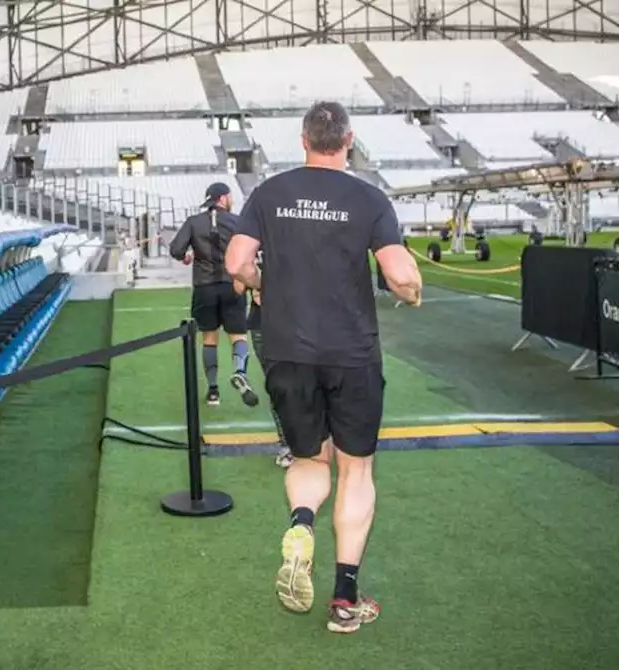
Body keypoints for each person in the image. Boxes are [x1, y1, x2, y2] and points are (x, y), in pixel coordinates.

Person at [225, 101, 423, 634]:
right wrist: (412, 290)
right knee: (356, 469)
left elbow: (237, 263)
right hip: (351, 353)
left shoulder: (270, 192)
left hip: (287, 349)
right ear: (349, 141)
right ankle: (344, 600)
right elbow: (398, 270)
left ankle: (301, 524)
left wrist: (265, 285)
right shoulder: (368, 197)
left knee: (310, 458)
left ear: (303, 139)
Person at [170, 182, 259, 408]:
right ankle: (240, 372)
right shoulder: (237, 221)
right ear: (222, 199)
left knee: (209, 339)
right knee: (238, 335)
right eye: (229, 197)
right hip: (232, 285)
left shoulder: (193, 222)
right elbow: (253, 248)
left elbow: (176, 249)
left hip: (204, 287)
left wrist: (187, 257)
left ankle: (213, 391)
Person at [233, 251, 295, 469]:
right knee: (282, 383)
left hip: (286, 322)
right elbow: (239, 285)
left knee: (285, 383)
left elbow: (238, 286)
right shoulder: (255, 245)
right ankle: (290, 444)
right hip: (276, 324)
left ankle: (293, 445)